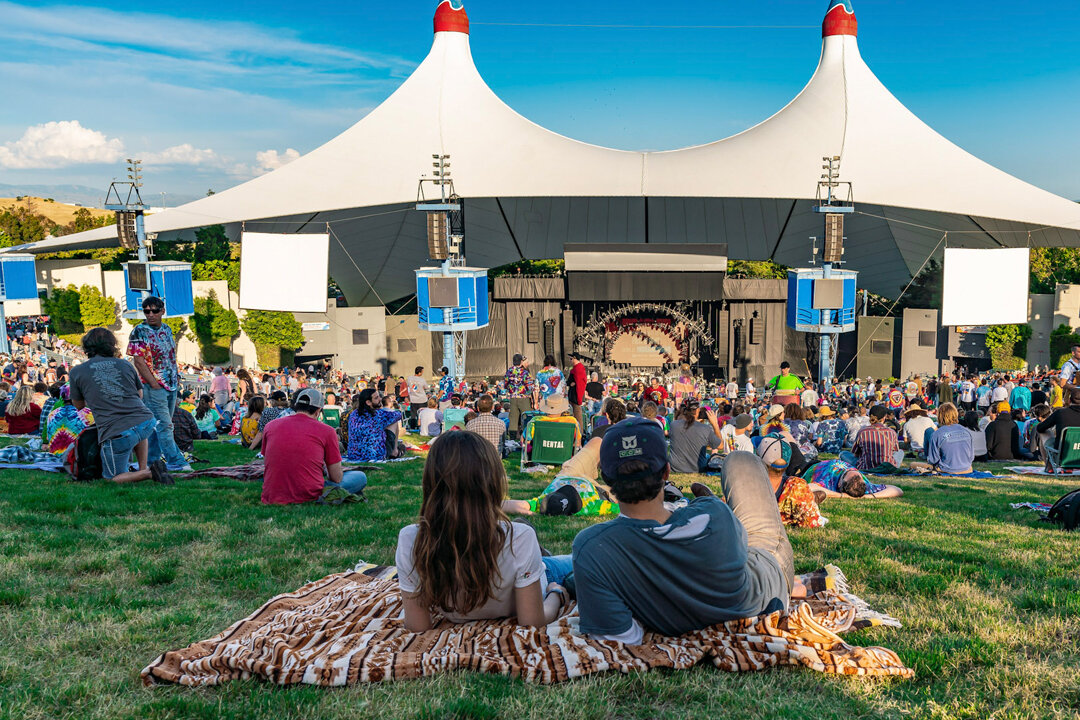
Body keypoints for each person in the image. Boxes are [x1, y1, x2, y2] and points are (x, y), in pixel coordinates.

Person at [571, 419, 798, 645]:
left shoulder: (592, 549)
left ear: (606, 480)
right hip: (769, 584)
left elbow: (623, 638)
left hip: (718, 577)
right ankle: (688, 509)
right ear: (666, 472)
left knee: (574, 570)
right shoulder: (713, 513)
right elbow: (744, 550)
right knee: (741, 460)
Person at [396, 431, 567, 631]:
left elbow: (418, 627)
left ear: (430, 482)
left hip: (517, 553)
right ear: (492, 481)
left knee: (523, 536)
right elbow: (533, 622)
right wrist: (557, 594)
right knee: (579, 560)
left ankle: (537, 553)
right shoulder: (519, 538)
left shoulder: (411, 540)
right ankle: (539, 555)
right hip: (534, 572)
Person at [68, 327, 167, 484]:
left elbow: (78, 405)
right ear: (111, 345)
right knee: (137, 429)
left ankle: (148, 473)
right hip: (145, 421)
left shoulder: (77, 372)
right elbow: (139, 395)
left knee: (112, 478)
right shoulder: (125, 364)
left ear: (87, 346)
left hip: (117, 431)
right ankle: (143, 468)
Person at [261, 388, 367, 504]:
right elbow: (336, 477)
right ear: (318, 411)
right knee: (360, 477)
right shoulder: (327, 431)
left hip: (272, 493)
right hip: (310, 494)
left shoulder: (270, 426)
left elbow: (269, 462)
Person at [127, 296, 191, 472]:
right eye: (147, 311)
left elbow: (170, 356)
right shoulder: (138, 331)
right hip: (153, 386)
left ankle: (151, 461)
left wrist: (175, 378)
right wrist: (153, 383)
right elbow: (138, 361)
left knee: (158, 426)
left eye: (154, 310)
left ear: (162, 311)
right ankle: (177, 461)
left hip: (170, 384)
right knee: (165, 425)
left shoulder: (167, 329)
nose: (150, 314)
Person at [756, 436, 828, 528]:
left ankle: (812, 497)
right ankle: (811, 498)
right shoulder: (796, 485)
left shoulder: (749, 483)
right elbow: (813, 521)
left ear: (759, 458)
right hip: (795, 503)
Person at [346, 388, 403, 462]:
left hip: (354, 455)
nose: (380, 399)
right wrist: (382, 407)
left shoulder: (353, 414)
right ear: (368, 402)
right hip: (375, 455)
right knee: (394, 422)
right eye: (376, 398)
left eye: (379, 396)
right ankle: (394, 451)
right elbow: (399, 415)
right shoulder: (379, 414)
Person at [805, 458, 903, 499]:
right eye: (858, 474)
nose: (853, 471)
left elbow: (809, 487)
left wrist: (840, 496)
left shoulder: (828, 482)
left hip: (806, 467)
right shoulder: (866, 485)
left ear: (840, 484)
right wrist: (869, 497)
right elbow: (897, 489)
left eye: (847, 474)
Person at [667, 402, 723, 474]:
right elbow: (720, 446)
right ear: (697, 411)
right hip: (698, 468)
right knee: (709, 456)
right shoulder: (705, 428)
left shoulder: (673, 425)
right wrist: (715, 424)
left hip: (675, 467)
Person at [846, 405, 903, 471]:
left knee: (843, 454)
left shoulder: (863, 431)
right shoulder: (891, 432)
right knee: (900, 452)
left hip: (866, 466)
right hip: (886, 466)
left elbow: (855, 453)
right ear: (884, 418)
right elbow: (894, 450)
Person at [924, 403, 975, 475]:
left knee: (913, 464)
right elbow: (971, 456)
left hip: (947, 469)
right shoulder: (966, 431)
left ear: (940, 416)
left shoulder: (937, 434)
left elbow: (933, 460)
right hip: (967, 469)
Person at [504, 354, 535, 441]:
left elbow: (505, 384)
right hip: (523, 398)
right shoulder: (524, 372)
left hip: (513, 398)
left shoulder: (509, 371)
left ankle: (512, 439)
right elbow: (530, 386)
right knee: (526, 418)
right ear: (521, 362)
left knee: (513, 419)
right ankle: (526, 438)